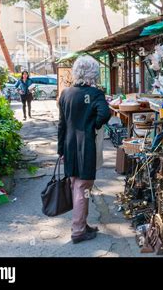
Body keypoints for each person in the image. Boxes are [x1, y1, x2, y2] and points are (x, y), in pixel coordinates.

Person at [57, 55, 111, 244]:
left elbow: (61, 124)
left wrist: (60, 150)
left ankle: (82, 223)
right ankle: (78, 230)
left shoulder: (66, 93)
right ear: (93, 74)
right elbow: (105, 113)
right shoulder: (95, 94)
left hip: (69, 144)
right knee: (82, 187)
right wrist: (92, 126)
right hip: (85, 145)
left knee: (77, 185)